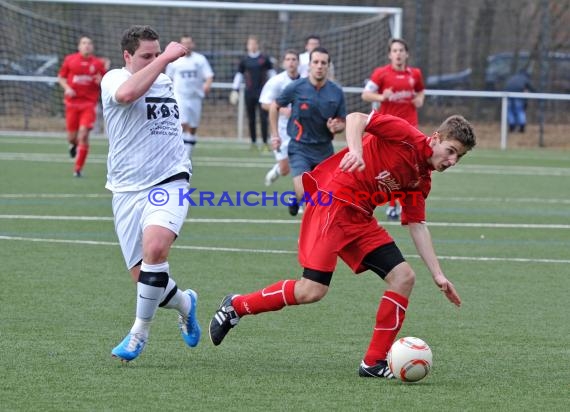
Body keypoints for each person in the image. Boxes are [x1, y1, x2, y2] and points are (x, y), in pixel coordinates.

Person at [209, 110, 476, 379]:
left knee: (404, 278)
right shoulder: (405, 135)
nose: (453, 161)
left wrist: (438, 275)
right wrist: (357, 151)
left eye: (459, 156)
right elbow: (357, 118)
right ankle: (237, 306)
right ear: (435, 138)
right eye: (451, 151)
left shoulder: (422, 179)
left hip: (360, 218)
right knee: (311, 291)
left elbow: (417, 225)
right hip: (333, 204)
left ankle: (373, 362)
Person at [100, 25, 201, 362]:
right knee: (145, 280)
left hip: (171, 179)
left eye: (158, 54)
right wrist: (167, 59)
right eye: (147, 56)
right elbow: (127, 95)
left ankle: (138, 334)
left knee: (156, 248)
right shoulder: (113, 79)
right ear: (127, 56)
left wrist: (160, 64)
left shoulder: (163, 79)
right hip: (126, 188)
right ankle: (186, 303)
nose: (155, 60)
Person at [269, 46, 346, 216]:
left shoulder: (336, 92)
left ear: (328, 66)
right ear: (309, 65)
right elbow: (274, 106)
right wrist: (275, 135)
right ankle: (298, 199)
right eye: (316, 62)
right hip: (299, 149)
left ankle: (297, 203)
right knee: (306, 193)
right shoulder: (296, 87)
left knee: (324, 197)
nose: (319, 66)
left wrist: (337, 126)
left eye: (323, 63)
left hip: (324, 150)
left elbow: (343, 122)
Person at [361, 38, 425, 220]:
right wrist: (381, 97)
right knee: (387, 167)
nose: (398, 54)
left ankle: (397, 206)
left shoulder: (415, 74)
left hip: (410, 127)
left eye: (401, 50)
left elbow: (420, 91)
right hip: (388, 128)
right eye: (395, 50)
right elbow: (365, 94)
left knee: (408, 167)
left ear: (407, 54)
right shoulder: (381, 74)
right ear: (390, 54)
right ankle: (388, 203)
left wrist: (420, 98)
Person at [58, 35, 109, 177]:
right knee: (71, 137)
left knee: (84, 135)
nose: (87, 45)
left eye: (89, 43)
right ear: (79, 46)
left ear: (92, 47)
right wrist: (67, 88)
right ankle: (72, 145)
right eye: (84, 43)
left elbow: (106, 82)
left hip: (89, 104)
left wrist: (101, 81)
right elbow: (61, 77)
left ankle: (78, 169)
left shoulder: (98, 63)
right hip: (72, 104)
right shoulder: (70, 60)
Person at [166, 35, 214, 159]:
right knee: (182, 124)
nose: (187, 46)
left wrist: (207, 85)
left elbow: (209, 75)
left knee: (193, 127)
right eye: (184, 43)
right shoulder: (175, 60)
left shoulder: (200, 59)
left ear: (193, 44)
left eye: (189, 43)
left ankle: (188, 153)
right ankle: (181, 155)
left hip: (195, 97)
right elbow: (168, 77)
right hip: (180, 96)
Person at [259, 49, 300, 186]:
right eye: (288, 59)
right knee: (284, 169)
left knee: (303, 164)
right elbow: (264, 103)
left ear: (298, 62)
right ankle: (276, 171)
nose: (291, 62)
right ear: (283, 63)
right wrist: (281, 109)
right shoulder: (277, 81)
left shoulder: (306, 81)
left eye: (294, 59)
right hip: (282, 129)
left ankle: (302, 202)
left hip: (301, 129)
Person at [229, 35, 276, 151]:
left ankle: (265, 143)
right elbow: (239, 75)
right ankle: (253, 143)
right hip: (249, 93)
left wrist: (275, 89)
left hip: (263, 94)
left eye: (254, 43)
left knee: (264, 118)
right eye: (250, 44)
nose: (252, 46)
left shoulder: (265, 59)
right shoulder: (244, 60)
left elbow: (272, 74)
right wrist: (234, 89)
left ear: (257, 45)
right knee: (251, 118)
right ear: (247, 46)